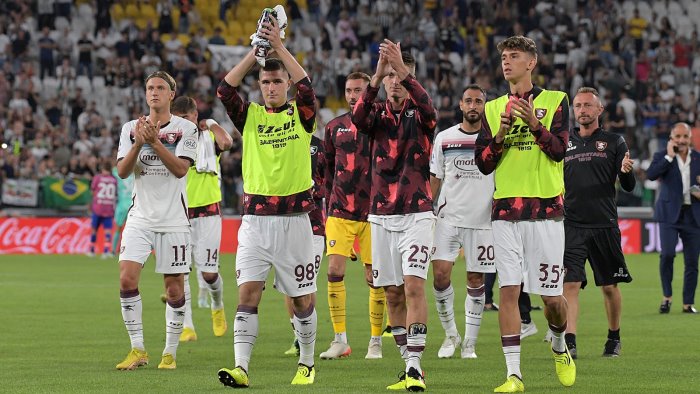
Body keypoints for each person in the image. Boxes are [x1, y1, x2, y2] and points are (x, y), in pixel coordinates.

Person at [215, 15, 319, 387]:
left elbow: (307, 87)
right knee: (248, 294)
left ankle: (306, 363)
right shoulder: (251, 116)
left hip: (295, 220)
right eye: (265, 81)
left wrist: (277, 47)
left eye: (277, 81)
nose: (271, 87)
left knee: (303, 301)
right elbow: (225, 90)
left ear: (285, 84)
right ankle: (241, 367)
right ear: (259, 85)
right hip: (255, 222)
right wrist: (253, 53)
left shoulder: (300, 115)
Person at [474, 35, 575, 392]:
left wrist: (534, 124)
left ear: (531, 62)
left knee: (551, 301)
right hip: (505, 213)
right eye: (504, 56)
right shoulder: (492, 108)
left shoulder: (556, 101)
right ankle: (513, 374)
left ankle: (560, 344)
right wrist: (500, 134)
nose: (506, 62)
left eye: (514, 56)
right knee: (508, 292)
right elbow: (483, 164)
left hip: (546, 212)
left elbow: (560, 151)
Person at [352, 42, 437, 391]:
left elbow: (430, 107)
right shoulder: (375, 116)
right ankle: (407, 365)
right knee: (392, 292)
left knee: (414, 286)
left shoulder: (423, 114)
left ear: (411, 77)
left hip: (417, 212)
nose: (395, 82)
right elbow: (357, 118)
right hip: (381, 215)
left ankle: (415, 367)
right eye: (390, 78)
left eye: (401, 77)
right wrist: (376, 74)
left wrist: (400, 67)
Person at [115, 71, 199, 370]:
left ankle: (169, 352)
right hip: (140, 218)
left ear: (171, 94)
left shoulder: (186, 129)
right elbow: (123, 171)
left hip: (174, 221)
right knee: (126, 278)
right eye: (150, 87)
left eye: (160, 88)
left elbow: (180, 169)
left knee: (174, 289)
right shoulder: (130, 128)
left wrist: (156, 142)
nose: (154, 92)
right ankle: (137, 349)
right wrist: (139, 142)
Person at [562, 87, 636, 359]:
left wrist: (627, 172)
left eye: (587, 106)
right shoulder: (564, 142)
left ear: (599, 110)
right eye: (578, 106)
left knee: (609, 286)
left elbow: (627, 185)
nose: (582, 110)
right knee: (569, 285)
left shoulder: (614, 141)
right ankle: (569, 341)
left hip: (604, 223)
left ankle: (613, 337)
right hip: (572, 224)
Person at [319, 72, 387, 361]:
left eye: (358, 90)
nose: (353, 95)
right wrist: (328, 202)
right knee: (334, 272)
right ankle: (340, 340)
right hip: (340, 210)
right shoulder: (334, 127)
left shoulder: (381, 124)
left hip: (374, 212)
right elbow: (327, 169)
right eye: (348, 90)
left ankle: (375, 341)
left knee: (375, 279)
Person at [429, 84, 495, 360]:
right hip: (448, 218)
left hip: (482, 221)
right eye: (468, 101)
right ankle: (450, 335)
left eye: (478, 102)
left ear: (484, 107)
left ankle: (469, 342)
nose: (473, 106)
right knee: (440, 275)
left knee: (475, 279)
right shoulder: (445, 138)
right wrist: (427, 210)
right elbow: (435, 176)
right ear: (460, 104)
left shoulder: (493, 141)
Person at [170, 96, 234, 342]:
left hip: (208, 212)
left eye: (188, 118)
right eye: (179, 119)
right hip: (179, 213)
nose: (183, 123)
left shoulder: (208, 137)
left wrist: (213, 122)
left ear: (196, 117)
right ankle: (187, 326)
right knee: (180, 272)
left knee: (209, 274)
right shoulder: (172, 143)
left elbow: (227, 142)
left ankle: (217, 306)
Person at [646, 122, 700, 314]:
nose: (681, 140)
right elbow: (651, 175)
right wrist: (669, 156)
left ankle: (688, 303)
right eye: (677, 136)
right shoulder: (662, 156)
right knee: (667, 254)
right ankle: (667, 297)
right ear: (671, 138)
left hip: (694, 216)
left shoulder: (698, 158)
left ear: (690, 138)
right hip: (669, 214)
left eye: (685, 136)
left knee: (692, 262)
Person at [284, 133, 326, 357]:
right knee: (289, 284)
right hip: (287, 222)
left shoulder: (321, 147)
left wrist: (314, 190)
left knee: (307, 283)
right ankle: (297, 335)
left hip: (314, 225)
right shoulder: (280, 143)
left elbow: (333, 182)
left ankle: (305, 338)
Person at [89, 160, 118, 258]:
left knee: (94, 230)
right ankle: (105, 251)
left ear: (102, 169)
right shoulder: (114, 179)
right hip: (109, 209)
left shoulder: (97, 178)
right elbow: (116, 194)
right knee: (108, 231)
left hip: (98, 207)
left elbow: (93, 191)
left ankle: (92, 250)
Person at [111, 165, 134, 255]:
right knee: (133, 230)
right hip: (133, 205)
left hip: (122, 205)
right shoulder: (135, 175)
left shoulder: (119, 174)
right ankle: (130, 251)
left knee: (118, 229)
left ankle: (113, 251)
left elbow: (113, 170)